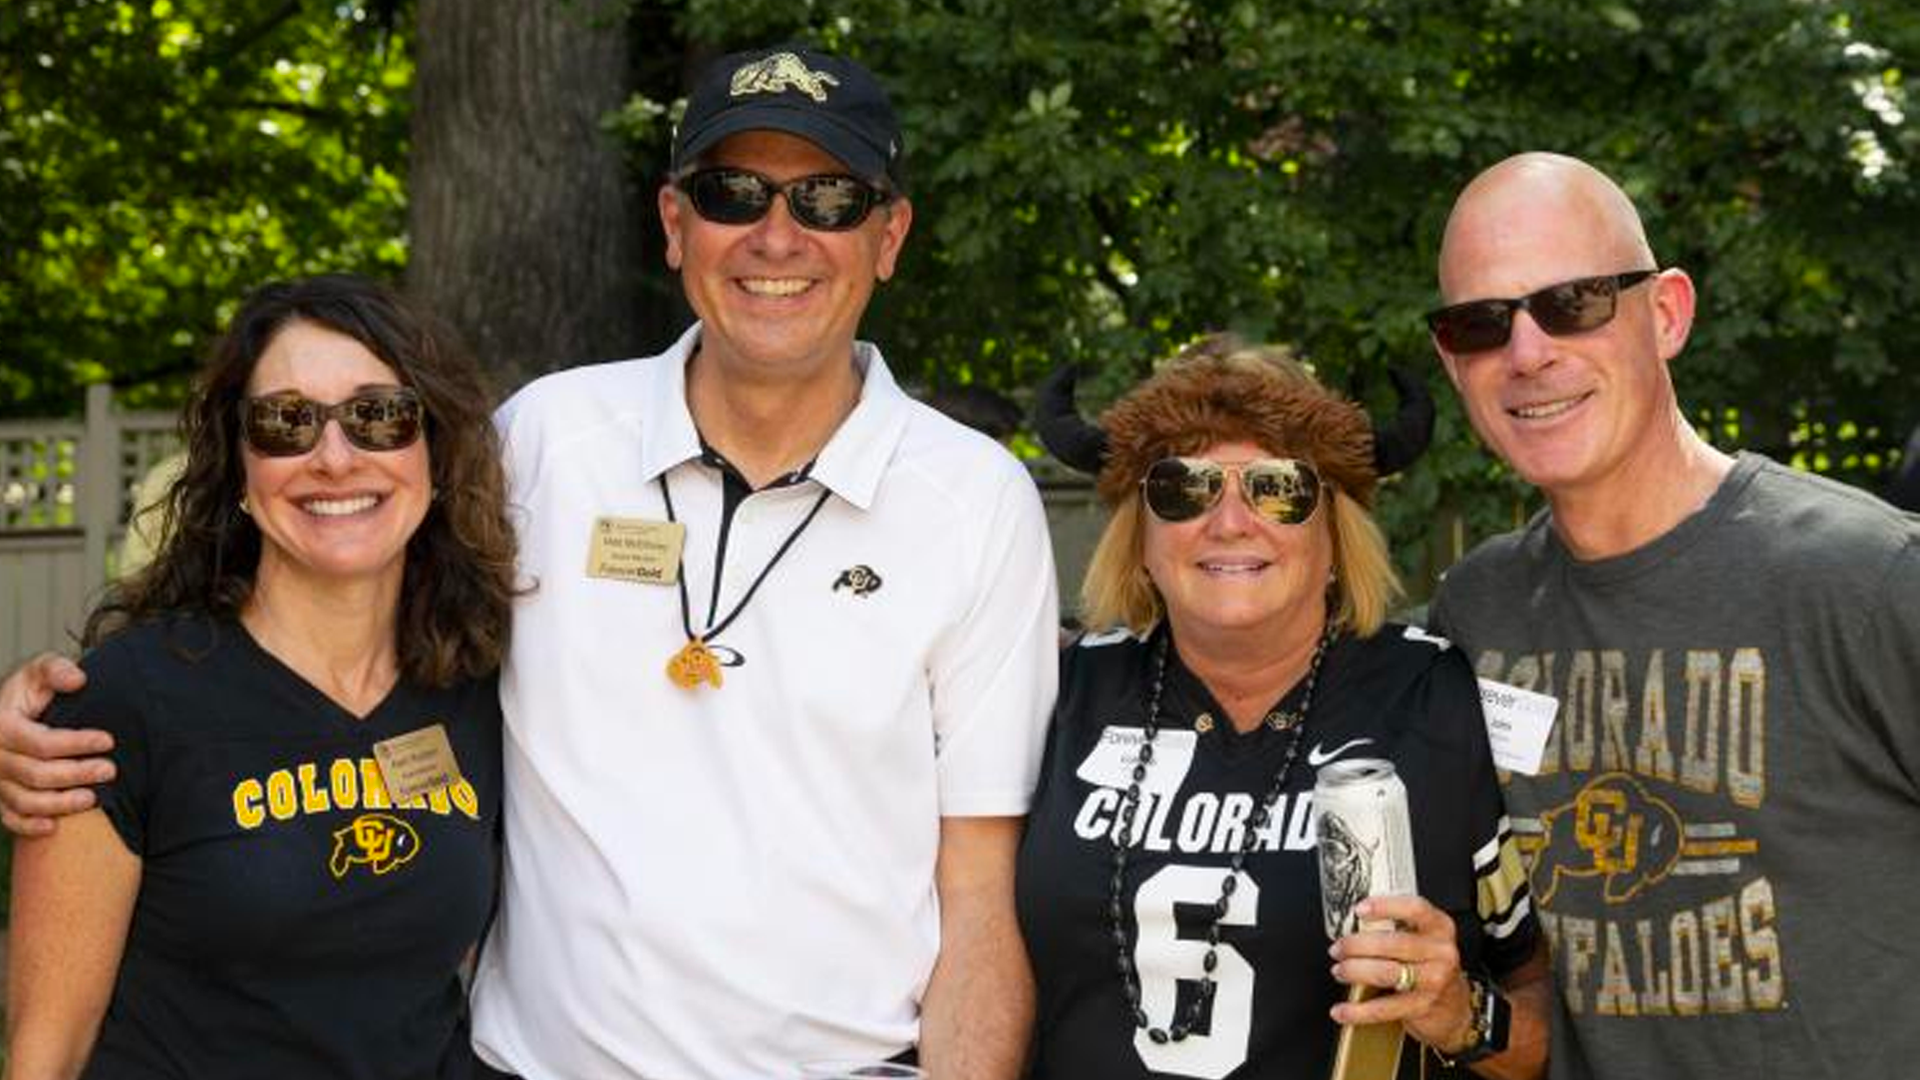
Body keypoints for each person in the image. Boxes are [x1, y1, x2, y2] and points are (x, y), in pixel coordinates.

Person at [0, 46, 1057, 1080]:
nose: (776, 237)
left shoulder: (973, 504)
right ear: (675, 224)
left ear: (890, 235)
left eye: (828, 198)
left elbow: (978, 897)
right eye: (734, 193)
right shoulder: (547, 440)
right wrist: (47, 712)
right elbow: (325, 573)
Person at [1423, 152, 1920, 1080]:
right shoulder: (1474, 614)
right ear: (1453, 362)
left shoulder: (1868, 577)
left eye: (1573, 302)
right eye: (1482, 323)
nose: (1528, 352)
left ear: (1666, 313)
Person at [4, 274, 517, 1079]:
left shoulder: (482, 688)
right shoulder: (123, 704)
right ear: (240, 466)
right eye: (286, 422)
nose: (335, 458)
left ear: (435, 451)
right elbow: (46, 1054)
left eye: (379, 415)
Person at [1020, 336, 1548, 1079]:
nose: (1231, 522)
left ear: (1334, 530)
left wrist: (1464, 1014)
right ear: (1139, 533)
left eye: (1278, 488)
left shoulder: (1437, 697)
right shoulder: (1055, 693)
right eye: (1184, 488)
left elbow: (1548, 1008)